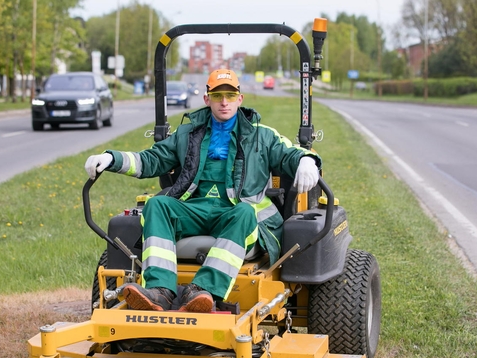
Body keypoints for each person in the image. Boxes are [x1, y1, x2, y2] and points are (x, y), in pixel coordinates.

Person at [85, 69, 321, 313]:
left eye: (230, 95)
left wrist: (307, 160)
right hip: (194, 209)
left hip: (235, 214)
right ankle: (160, 291)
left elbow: (290, 154)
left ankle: (201, 291)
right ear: (207, 99)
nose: (224, 101)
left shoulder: (262, 135)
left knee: (244, 212)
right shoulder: (187, 134)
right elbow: (151, 159)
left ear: (240, 99)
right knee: (157, 205)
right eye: (218, 96)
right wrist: (111, 159)